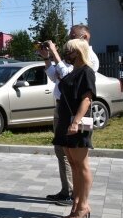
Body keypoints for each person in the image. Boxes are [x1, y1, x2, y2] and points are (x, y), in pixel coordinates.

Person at [39, 24, 99, 206]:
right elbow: (57, 76)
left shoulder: (89, 64)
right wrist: (47, 58)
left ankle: (81, 203)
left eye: (73, 38)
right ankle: (74, 198)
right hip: (65, 115)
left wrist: (55, 54)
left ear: (85, 39)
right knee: (70, 160)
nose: (67, 52)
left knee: (81, 164)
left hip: (77, 118)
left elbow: (84, 96)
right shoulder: (73, 65)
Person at [53, 38, 96, 218]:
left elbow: (87, 99)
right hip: (65, 124)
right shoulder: (73, 71)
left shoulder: (86, 72)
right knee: (73, 164)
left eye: (69, 51)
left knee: (82, 165)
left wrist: (76, 122)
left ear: (78, 52)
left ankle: (84, 205)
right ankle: (76, 203)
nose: (67, 54)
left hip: (76, 124)